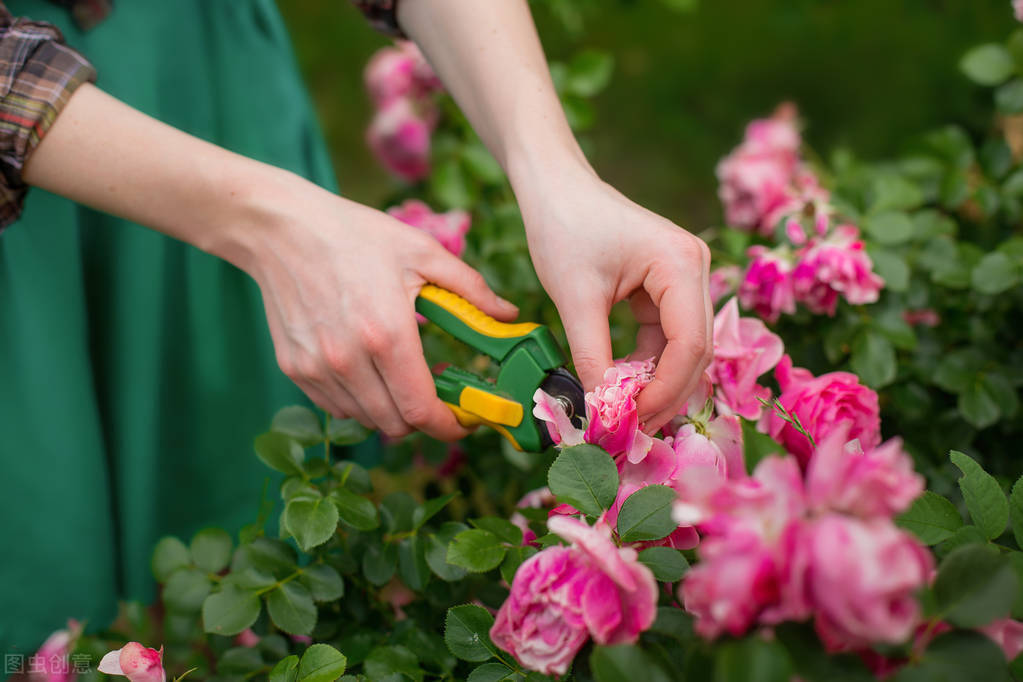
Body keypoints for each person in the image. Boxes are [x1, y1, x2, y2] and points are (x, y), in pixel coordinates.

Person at [0, 0, 712, 653]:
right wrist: (270, 228)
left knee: (237, 545)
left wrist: (554, 175)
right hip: (49, 187)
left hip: (206, 78)